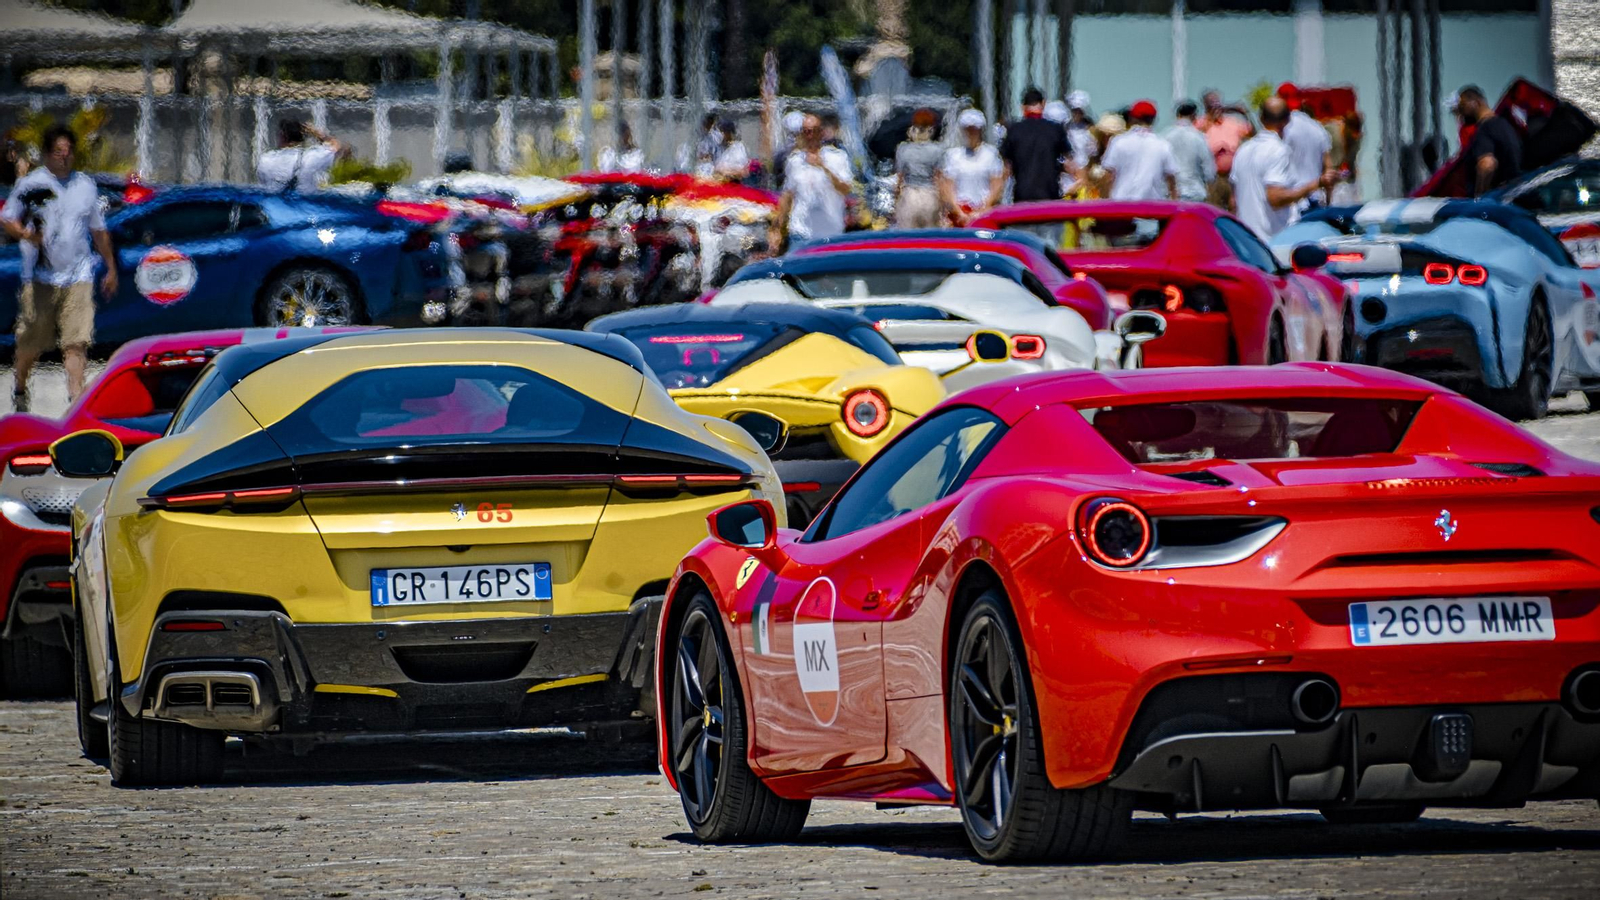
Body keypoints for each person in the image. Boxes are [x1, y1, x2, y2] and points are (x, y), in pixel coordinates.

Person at [1, 125, 117, 410]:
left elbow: (98, 230)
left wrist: (110, 267)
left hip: (78, 274)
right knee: (31, 341)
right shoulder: (32, 184)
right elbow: (7, 218)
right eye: (58, 152)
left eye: (68, 152)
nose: (64, 157)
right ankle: (20, 388)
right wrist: (26, 234)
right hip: (40, 277)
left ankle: (76, 401)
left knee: (76, 342)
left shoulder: (85, 185)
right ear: (46, 154)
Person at [1230, 97, 1331, 240]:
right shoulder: (1278, 150)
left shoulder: (1243, 150)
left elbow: (1233, 202)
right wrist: (1315, 184)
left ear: (1261, 118)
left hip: (1247, 240)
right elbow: (1275, 198)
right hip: (1273, 241)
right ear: (1287, 121)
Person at [771, 113, 853, 251]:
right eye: (805, 131)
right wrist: (777, 228)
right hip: (801, 232)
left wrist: (824, 167)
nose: (809, 135)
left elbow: (845, 189)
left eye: (813, 131)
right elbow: (787, 195)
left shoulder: (837, 157)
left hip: (830, 233)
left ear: (821, 132)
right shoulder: (795, 160)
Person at [1000, 86, 1071, 203]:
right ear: (1043, 104)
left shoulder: (1014, 130)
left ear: (1023, 107)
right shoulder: (1055, 130)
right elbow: (1069, 164)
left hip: (1023, 197)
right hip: (1050, 196)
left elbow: (1007, 169)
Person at [937, 109, 1006, 225]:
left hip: (983, 212)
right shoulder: (953, 156)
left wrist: (984, 209)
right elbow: (947, 186)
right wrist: (959, 212)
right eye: (967, 129)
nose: (970, 133)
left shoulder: (991, 154)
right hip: (960, 213)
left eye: (974, 129)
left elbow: (996, 184)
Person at [1101, 100, 1178, 201]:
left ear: (1132, 118)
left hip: (1121, 202)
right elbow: (1171, 178)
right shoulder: (1163, 145)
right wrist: (1174, 200)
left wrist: (1106, 199)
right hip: (1152, 204)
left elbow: (1108, 175)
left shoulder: (1119, 142)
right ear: (1153, 120)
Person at [1456, 84, 1522, 196]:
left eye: (1463, 106)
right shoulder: (1505, 124)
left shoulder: (1484, 129)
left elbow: (1487, 164)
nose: (1461, 112)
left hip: (1499, 197)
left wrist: (1479, 197)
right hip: (1514, 190)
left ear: (1476, 102)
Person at [1277, 82, 1334, 209]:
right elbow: (1328, 168)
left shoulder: (1283, 128)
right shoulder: (1318, 128)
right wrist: (1328, 203)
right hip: (1316, 199)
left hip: (1293, 201)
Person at [257, 119, 343, 192]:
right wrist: (316, 133)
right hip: (306, 203)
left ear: (282, 135)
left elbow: (264, 183)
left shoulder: (266, 159)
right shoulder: (311, 157)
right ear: (301, 137)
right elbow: (336, 145)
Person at [893, 108, 944, 228]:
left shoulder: (903, 149)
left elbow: (900, 177)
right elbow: (938, 177)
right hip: (930, 195)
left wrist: (896, 199)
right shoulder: (938, 150)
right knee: (930, 234)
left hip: (910, 195)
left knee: (908, 235)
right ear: (931, 129)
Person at [1163, 100, 1216, 202]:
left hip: (1172, 193)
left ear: (1178, 115)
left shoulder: (1165, 136)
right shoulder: (1199, 137)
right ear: (1194, 116)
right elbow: (1208, 168)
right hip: (1194, 191)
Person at [1200, 90, 1254, 178]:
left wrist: (1244, 114)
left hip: (1233, 175)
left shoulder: (1232, 122)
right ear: (1206, 107)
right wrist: (1210, 119)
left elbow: (1253, 134)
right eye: (1211, 105)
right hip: (1212, 177)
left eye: (1217, 104)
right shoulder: (1202, 124)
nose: (1215, 108)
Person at [1064, 90, 1097, 174]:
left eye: (1079, 111)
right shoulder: (1066, 128)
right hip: (1069, 170)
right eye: (1074, 111)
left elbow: (1094, 152)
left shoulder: (1090, 128)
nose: (1077, 114)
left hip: (1086, 169)